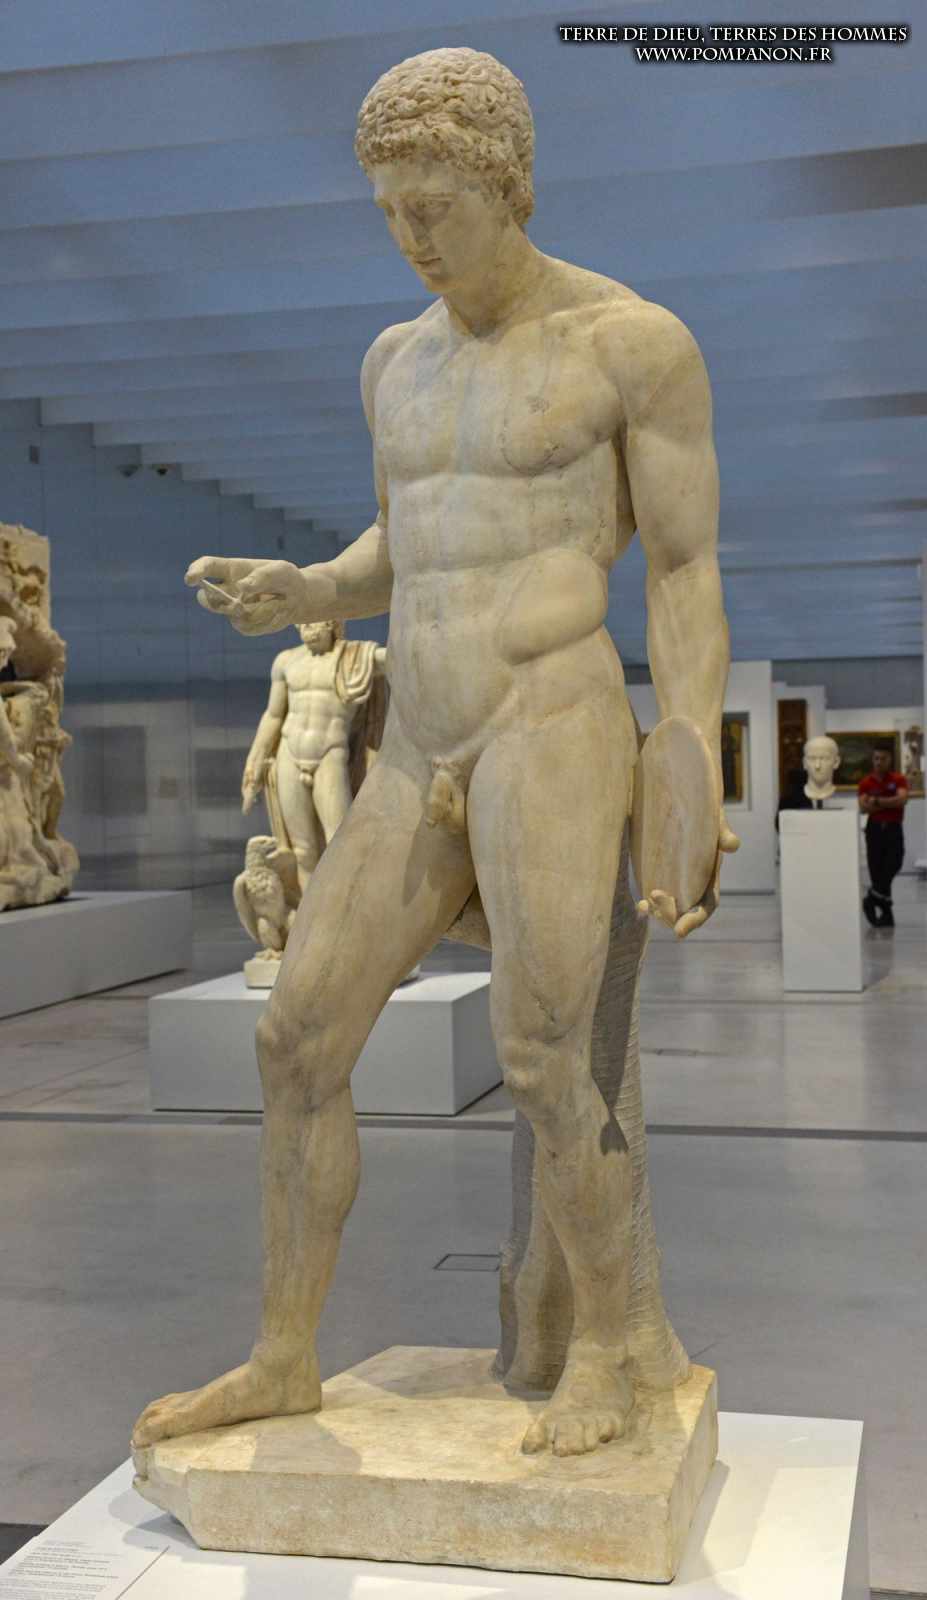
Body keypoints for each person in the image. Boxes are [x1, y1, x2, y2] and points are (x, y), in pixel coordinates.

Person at [134, 47, 737, 1461]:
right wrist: (309, 587)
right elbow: (408, 538)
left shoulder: (628, 342)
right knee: (295, 1037)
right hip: (419, 735)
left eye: (435, 205)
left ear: (505, 184)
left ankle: (605, 1351)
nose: (411, 235)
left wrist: (689, 749)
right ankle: (285, 1354)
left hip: (551, 721)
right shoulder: (391, 363)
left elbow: (685, 567)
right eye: (390, 208)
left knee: (541, 1054)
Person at [242, 621, 386, 893]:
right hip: (289, 752)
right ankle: (309, 914)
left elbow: (395, 661)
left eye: (316, 621)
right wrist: (254, 765)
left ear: (333, 623)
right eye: (304, 623)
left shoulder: (356, 657)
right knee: (303, 850)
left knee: (340, 842)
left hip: (330, 753)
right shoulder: (286, 661)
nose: (309, 629)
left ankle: (343, 907)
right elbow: (273, 716)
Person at [859, 743, 907, 927]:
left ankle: (871, 898)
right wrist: (890, 802)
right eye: (876, 758)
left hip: (893, 828)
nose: (879, 762)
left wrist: (877, 801)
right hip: (874, 829)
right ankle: (887, 915)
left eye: (883, 758)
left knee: (895, 862)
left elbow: (902, 800)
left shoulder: (898, 779)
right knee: (877, 871)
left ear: (890, 760)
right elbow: (864, 808)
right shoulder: (866, 782)